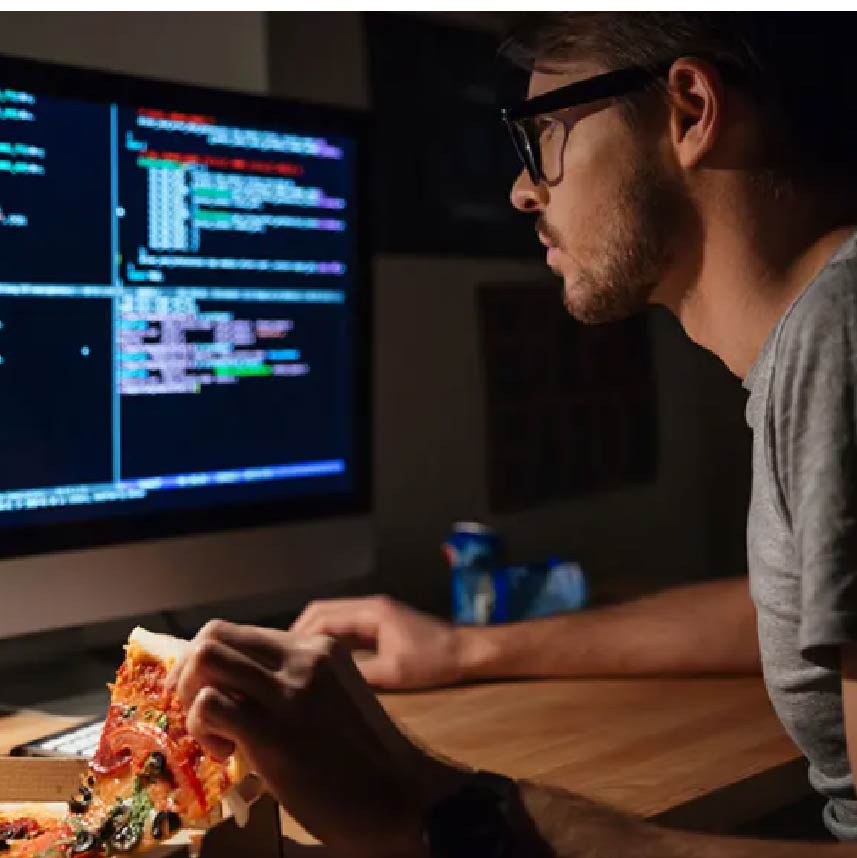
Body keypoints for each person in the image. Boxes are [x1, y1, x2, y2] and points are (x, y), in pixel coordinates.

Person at [170, 12, 857, 855]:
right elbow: (779, 614)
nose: (522, 191)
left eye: (542, 136)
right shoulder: (817, 339)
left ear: (689, 109)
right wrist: (468, 648)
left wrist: (428, 805)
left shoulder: (839, 338)